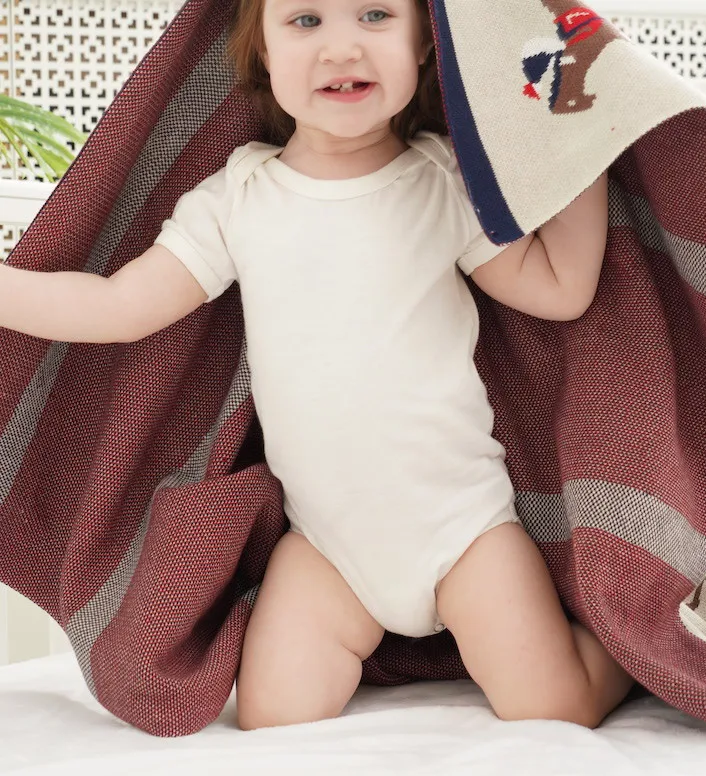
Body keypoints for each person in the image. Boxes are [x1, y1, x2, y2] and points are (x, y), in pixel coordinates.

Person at [0, 0, 634, 731]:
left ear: (425, 44)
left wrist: (589, 138)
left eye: (374, 15)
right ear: (262, 53)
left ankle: (635, 650)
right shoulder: (238, 199)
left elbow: (559, 289)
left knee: (550, 707)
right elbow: (118, 307)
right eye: (306, 21)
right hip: (326, 549)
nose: (341, 48)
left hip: (466, 531)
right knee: (274, 716)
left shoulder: (446, 180)